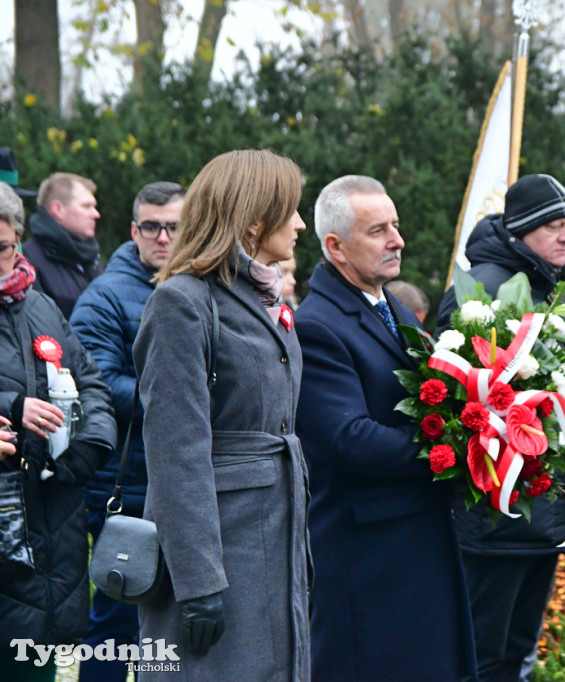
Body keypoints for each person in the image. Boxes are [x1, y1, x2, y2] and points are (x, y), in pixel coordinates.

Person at [132, 150, 310, 680]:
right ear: (255, 219)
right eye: (291, 210)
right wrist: (199, 582)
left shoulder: (258, 297)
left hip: (274, 542)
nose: (300, 224)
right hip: (221, 556)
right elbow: (175, 451)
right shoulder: (181, 303)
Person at [294, 175, 476, 681]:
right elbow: (349, 439)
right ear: (335, 247)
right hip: (370, 558)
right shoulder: (318, 325)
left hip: (414, 541)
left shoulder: (387, 304)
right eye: (378, 230)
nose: (397, 239)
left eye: (395, 225)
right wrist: (457, 447)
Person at [436, 173, 565, 682]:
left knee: (517, 657)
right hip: (498, 517)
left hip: (541, 515)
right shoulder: (479, 292)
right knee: (487, 661)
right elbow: (454, 408)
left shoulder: (548, 292)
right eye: (554, 224)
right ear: (522, 231)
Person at [69, 181, 185, 682]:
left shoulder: (193, 286)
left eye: (174, 227)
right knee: (117, 629)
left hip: (175, 481)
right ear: (134, 231)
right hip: (124, 486)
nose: (163, 237)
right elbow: (97, 383)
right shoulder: (105, 297)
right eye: (152, 227)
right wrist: (183, 401)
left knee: (166, 633)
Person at [0, 181, 116, 680]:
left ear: (18, 242)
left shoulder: (40, 305)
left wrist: (88, 449)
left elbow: (91, 382)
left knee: (34, 661)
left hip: (50, 527)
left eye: (2, 248)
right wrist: (11, 406)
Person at [22, 172, 103, 318]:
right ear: (58, 209)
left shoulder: (93, 261)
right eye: (86, 206)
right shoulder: (28, 260)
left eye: (94, 206)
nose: (96, 214)